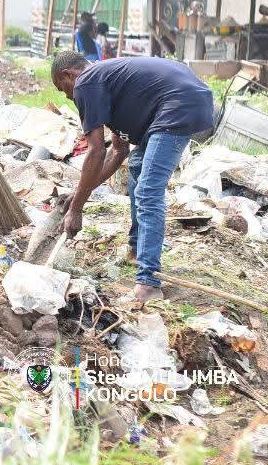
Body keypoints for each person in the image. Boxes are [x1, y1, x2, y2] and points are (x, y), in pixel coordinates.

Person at [51, 51, 214, 308]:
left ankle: (148, 283)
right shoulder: (108, 81)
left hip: (178, 103)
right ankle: (137, 251)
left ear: (68, 75)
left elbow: (96, 151)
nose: (69, 97)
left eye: (64, 89)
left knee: (149, 190)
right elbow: (118, 152)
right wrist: (81, 192)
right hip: (187, 97)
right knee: (138, 165)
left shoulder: (86, 83)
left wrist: (77, 208)